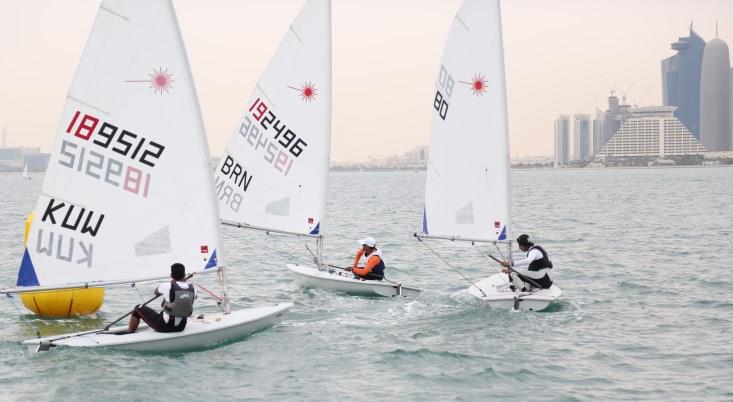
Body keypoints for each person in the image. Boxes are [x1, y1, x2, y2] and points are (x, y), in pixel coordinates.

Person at [126, 263, 196, 334]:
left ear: (171, 275)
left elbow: (156, 292)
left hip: (163, 326)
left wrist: (171, 284)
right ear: (184, 275)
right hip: (181, 327)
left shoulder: (166, 285)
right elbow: (187, 299)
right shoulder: (192, 289)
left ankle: (129, 332)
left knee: (138, 308)